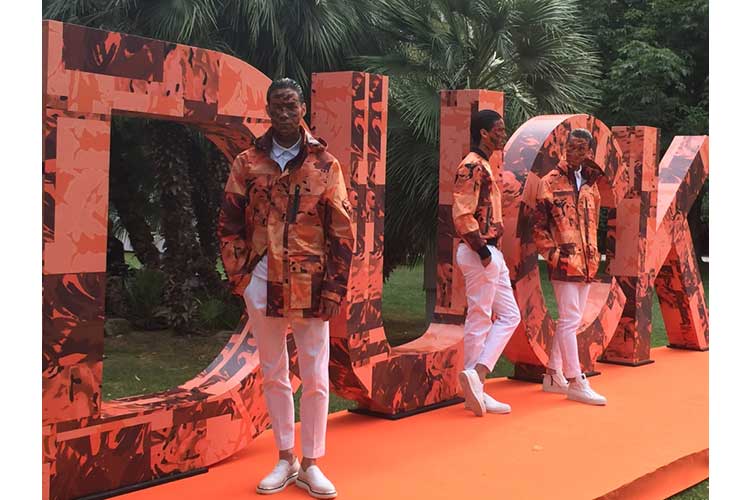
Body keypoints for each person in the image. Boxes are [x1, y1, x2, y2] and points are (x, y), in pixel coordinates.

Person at [218, 78, 354, 499]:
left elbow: (342, 231)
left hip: (310, 283)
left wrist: (334, 288)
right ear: (267, 109)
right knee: (273, 371)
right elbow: (229, 221)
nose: (284, 112)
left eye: (291, 105)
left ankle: (312, 462)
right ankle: (284, 457)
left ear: (302, 109)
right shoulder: (247, 162)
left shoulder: (325, 164)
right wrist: (241, 277)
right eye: (276, 105)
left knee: (315, 375)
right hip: (262, 280)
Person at [453, 109, 521, 417]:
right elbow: (462, 213)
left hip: (490, 252)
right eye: (498, 129)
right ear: (483, 132)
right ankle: (475, 386)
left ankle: (476, 376)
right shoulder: (472, 166)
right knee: (480, 316)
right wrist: (482, 251)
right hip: (480, 251)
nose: (502, 134)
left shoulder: (483, 165)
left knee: (509, 315)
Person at [532, 128, 607, 406]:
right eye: (571, 147)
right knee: (569, 319)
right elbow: (538, 227)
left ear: (589, 152)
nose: (574, 153)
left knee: (571, 319)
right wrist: (554, 256)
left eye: (581, 149)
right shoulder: (549, 182)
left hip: (587, 263)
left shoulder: (590, 184)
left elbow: (593, 222)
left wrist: (592, 254)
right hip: (564, 262)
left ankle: (553, 374)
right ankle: (576, 380)